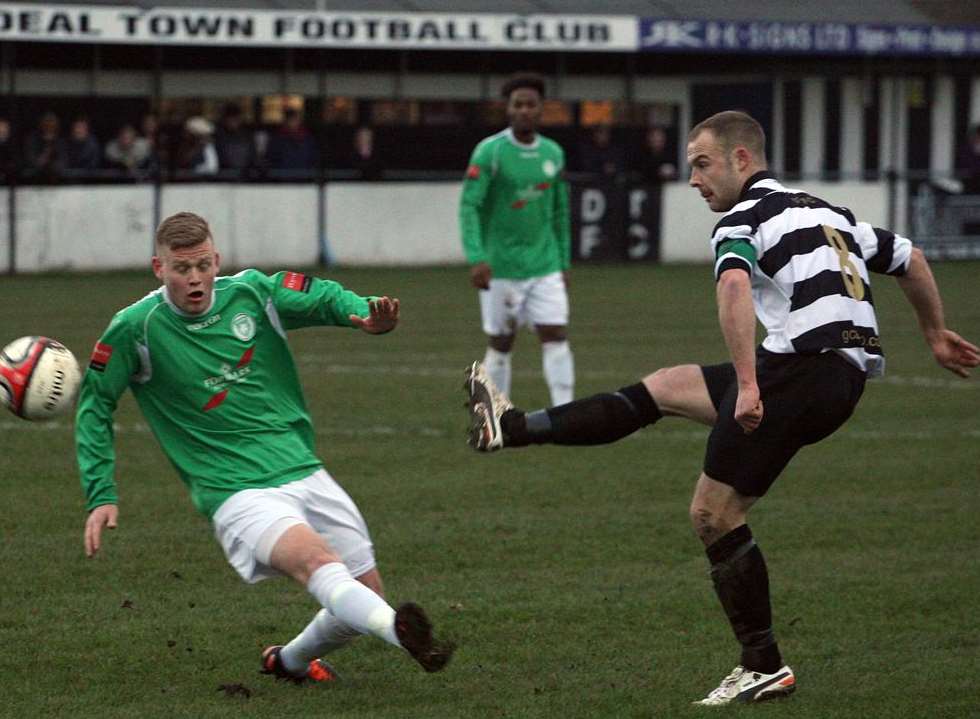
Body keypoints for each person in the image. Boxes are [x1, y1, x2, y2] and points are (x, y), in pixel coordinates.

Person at [464, 110, 979, 705]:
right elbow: (910, 257)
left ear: (741, 159)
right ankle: (514, 426)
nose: (693, 179)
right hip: (829, 373)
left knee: (713, 514)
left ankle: (763, 663)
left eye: (702, 164)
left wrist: (749, 385)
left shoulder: (744, 217)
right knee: (663, 387)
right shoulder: (827, 211)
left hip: (801, 371)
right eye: (689, 167)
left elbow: (734, 286)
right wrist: (935, 334)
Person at [77, 211, 454, 683]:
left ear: (216, 260)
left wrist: (366, 310)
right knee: (318, 563)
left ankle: (289, 662)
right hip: (233, 489)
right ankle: (406, 637)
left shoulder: (253, 293)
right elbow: (95, 404)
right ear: (159, 268)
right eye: (181, 269)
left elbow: (321, 296)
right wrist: (101, 493)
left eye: (202, 266)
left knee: (363, 593)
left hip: (301, 467)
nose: (194, 279)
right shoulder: (136, 328)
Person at [459, 72, 574, 406]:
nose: (524, 110)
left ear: (541, 110)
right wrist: (476, 256)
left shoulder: (553, 153)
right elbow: (469, 205)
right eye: (518, 104)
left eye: (531, 104)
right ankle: (498, 413)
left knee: (555, 335)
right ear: (508, 110)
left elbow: (560, 213)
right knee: (501, 341)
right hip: (501, 267)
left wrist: (564, 262)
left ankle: (565, 413)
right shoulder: (490, 152)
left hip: (546, 264)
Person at [266, 107, 318, 178]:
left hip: (305, 178)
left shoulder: (307, 138)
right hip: (283, 178)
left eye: (295, 119)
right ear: (286, 121)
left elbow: (313, 158)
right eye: (290, 120)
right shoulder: (278, 139)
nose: (293, 122)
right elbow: (271, 159)